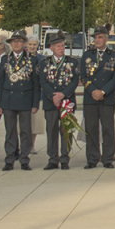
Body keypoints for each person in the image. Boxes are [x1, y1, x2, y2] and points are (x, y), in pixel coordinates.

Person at [0, 30, 40, 171]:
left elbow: (35, 84)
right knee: (10, 131)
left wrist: (35, 103)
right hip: (8, 99)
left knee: (26, 131)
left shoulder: (31, 60)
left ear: (24, 43)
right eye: (13, 41)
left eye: (19, 41)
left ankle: (24, 159)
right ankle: (9, 159)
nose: (16, 43)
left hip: (25, 99)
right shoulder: (5, 60)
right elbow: (0, 83)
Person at [80, 26, 115, 169]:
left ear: (106, 38)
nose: (97, 40)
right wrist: (93, 91)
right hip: (90, 97)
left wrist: (102, 92)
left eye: (100, 37)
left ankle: (108, 158)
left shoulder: (114, 56)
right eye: (95, 37)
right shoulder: (87, 55)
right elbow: (83, 76)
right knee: (91, 128)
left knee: (108, 129)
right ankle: (92, 158)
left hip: (106, 98)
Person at [37, 33, 79, 171]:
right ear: (51, 48)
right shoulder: (44, 63)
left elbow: (74, 81)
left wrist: (62, 94)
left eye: (62, 45)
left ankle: (65, 158)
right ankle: (53, 159)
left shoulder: (72, 62)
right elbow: (43, 81)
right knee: (51, 130)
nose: (61, 48)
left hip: (67, 102)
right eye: (58, 46)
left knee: (66, 130)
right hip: (51, 103)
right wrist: (53, 97)